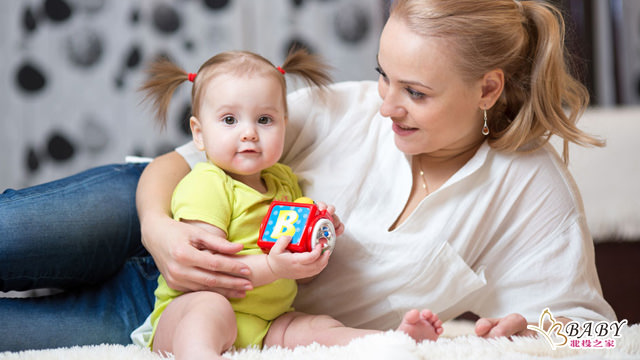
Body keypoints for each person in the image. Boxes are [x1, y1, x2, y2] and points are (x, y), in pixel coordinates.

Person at [0, 0, 615, 351]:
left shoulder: (528, 192)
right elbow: (172, 165)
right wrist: (159, 229)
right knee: (14, 234)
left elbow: (599, 332)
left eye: (415, 93)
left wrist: (531, 328)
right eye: (383, 76)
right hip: (136, 222)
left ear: (488, 88)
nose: (384, 105)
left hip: (202, 319)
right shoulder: (343, 111)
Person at [134, 50, 442, 359]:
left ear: (284, 124)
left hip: (267, 323)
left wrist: (315, 248)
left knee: (316, 326)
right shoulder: (207, 184)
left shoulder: (284, 182)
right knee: (209, 310)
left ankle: (388, 342)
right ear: (199, 134)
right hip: (192, 312)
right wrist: (272, 267)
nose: (249, 133)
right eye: (230, 120)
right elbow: (211, 273)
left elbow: (297, 273)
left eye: (264, 120)